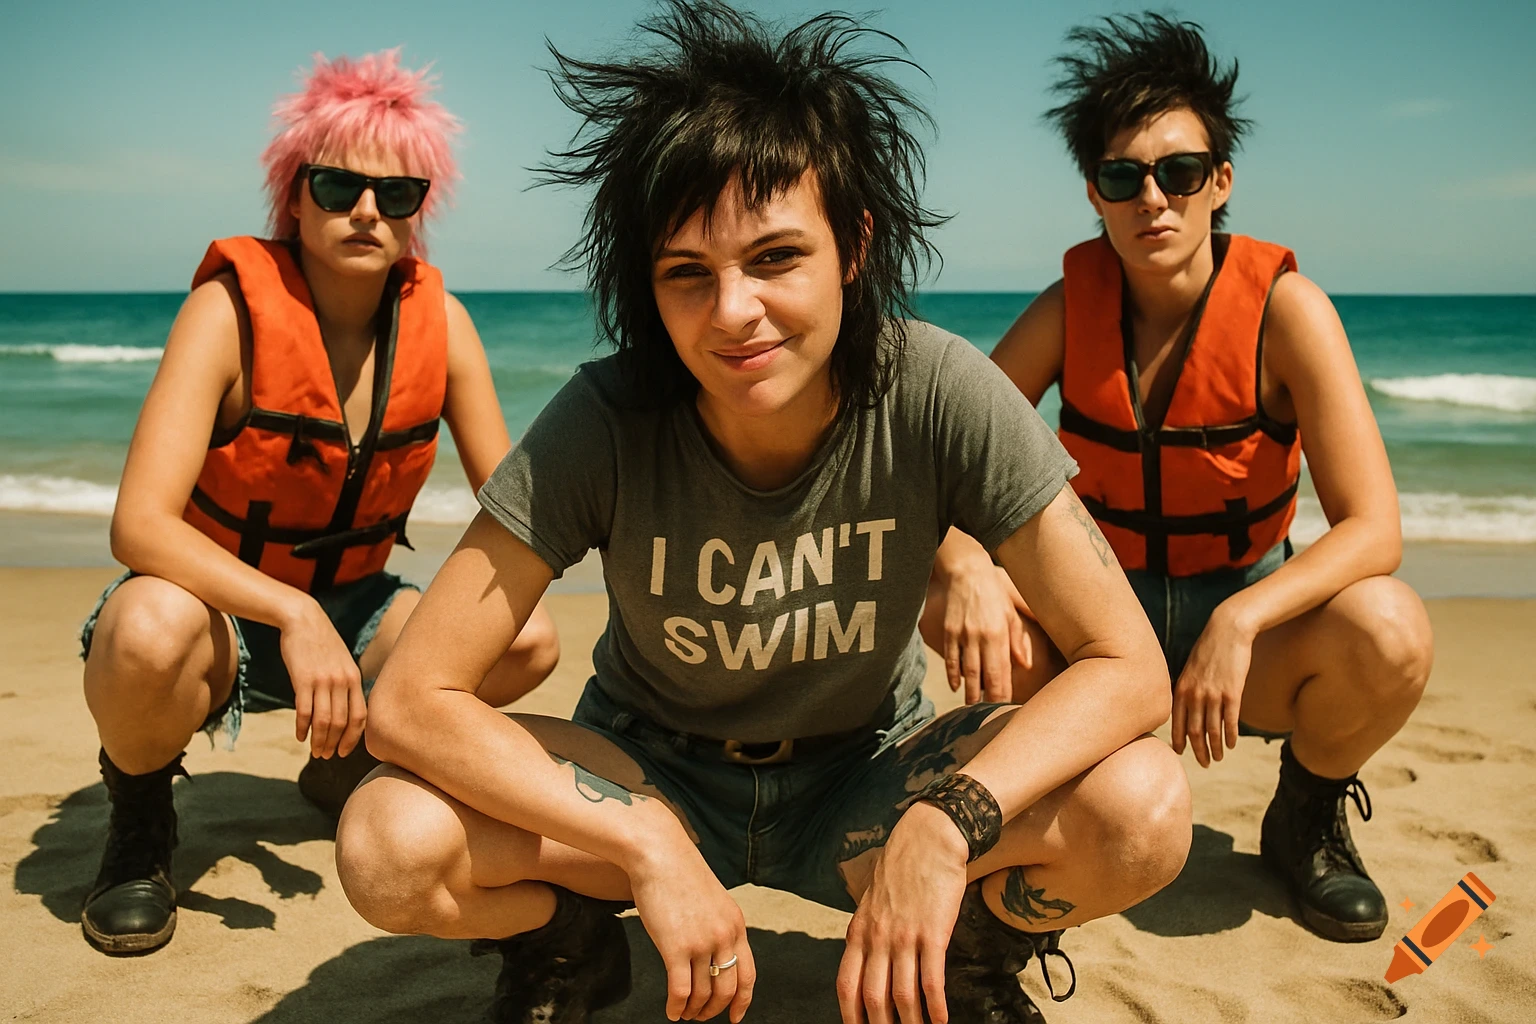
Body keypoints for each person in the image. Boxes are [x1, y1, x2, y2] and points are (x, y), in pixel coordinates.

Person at [334, 4, 1191, 1023]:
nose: (733, 311)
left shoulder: (937, 390)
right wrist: (645, 839)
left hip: (869, 774)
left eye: (777, 258)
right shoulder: (607, 418)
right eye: (687, 273)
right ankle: (564, 945)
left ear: (854, 244)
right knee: (387, 845)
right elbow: (412, 699)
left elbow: (1127, 667)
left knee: (1143, 808)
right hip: (647, 767)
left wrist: (947, 823)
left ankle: (969, 953)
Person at [922, 13, 1433, 944]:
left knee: (1390, 628)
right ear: (1096, 192)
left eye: (1180, 172)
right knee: (952, 591)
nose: (1152, 198)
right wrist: (962, 563)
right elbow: (945, 447)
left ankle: (1305, 819)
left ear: (1219, 182)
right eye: (1124, 176)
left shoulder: (1288, 311)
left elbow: (1374, 529)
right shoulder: (1068, 310)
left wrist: (1242, 618)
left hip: (1246, 617)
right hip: (1101, 624)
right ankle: (1061, 808)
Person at [77, 49, 561, 956]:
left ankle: (357, 760)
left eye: (398, 194)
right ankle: (139, 826)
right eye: (338, 186)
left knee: (527, 634)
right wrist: (291, 612)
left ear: (421, 212)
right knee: (143, 627)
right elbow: (137, 524)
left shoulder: (442, 325)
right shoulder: (226, 314)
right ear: (292, 196)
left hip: (359, 609)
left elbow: (521, 508)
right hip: (217, 614)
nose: (368, 211)